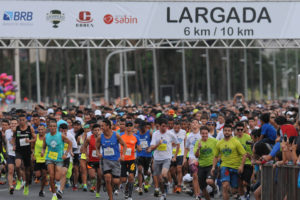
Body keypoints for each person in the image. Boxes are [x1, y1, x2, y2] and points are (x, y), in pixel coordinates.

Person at [211, 124, 247, 200]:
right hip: (225, 166)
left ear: (231, 132)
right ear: (223, 132)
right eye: (225, 131)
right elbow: (215, 156)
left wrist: (241, 166)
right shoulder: (219, 143)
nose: (227, 132)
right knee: (225, 186)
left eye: (229, 131)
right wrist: (213, 167)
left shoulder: (236, 142)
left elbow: (244, 154)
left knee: (234, 190)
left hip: (235, 167)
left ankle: (235, 192)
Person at [96, 119, 127, 200]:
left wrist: (123, 155)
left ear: (108, 126)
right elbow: (97, 147)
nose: (101, 127)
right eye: (101, 126)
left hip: (115, 160)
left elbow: (124, 145)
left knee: (116, 181)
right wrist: (98, 153)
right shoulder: (100, 137)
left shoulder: (116, 135)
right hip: (105, 160)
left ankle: (111, 187)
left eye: (102, 126)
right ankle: (110, 198)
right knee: (107, 178)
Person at [149, 118, 179, 200]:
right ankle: (163, 194)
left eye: (165, 126)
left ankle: (168, 182)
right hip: (157, 158)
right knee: (160, 179)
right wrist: (158, 144)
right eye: (162, 126)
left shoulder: (170, 134)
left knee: (164, 174)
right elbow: (152, 147)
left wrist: (175, 156)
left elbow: (177, 144)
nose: (164, 128)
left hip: (167, 158)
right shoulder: (155, 134)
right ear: (159, 126)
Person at [41, 120, 72, 200]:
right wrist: (42, 151)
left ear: (56, 127)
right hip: (49, 158)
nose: (52, 128)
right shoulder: (46, 136)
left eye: (54, 126)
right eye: (51, 126)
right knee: (51, 176)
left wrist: (66, 154)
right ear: (49, 127)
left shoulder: (61, 135)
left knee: (57, 178)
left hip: (59, 158)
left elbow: (70, 143)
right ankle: (54, 194)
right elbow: (44, 146)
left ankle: (58, 186)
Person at [12, 114, 36, 196]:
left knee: (27, 171)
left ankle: (26, 186)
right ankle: (19, 180)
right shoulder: (16, 129)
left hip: (27, 151)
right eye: (20, 120)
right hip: (19, 151)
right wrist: (14, 145)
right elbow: (13, 138)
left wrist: (29, 141)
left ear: (26, 120)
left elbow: (35, 138)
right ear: (18, 121)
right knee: (17, 166)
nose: (21, 121)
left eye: (23, 120)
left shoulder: (30, 128)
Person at [194, 126, 218, 200]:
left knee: (209, 181)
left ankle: (215, 188)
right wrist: (198, 148)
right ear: (200, 134)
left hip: (211, 165)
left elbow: (220, 148)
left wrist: (219, 158)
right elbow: (196, 156)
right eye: (202, 133)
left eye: (206, 133)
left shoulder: (214, 141)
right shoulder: (198, 142)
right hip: (201, 166)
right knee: (203, 188)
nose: (204, 135)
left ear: (208, 133)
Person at [120, 121, 141, 200]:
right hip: (123, 160)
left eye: (130, 126)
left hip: (132, 159)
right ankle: (125, 190)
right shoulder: (121, 136)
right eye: (127, 126)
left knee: (131, 177)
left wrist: (139, 149)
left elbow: (139, 147)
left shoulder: (136, 137)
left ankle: (130, 195)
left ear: (133, 127)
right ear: (125, 127)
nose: (129, 128)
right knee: (123, 179)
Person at [82, 124, 102, 198]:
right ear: (92, 131)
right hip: (91, 160)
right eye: (95, 130)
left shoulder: (102, 138)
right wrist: (86, 155)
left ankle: (98, 191)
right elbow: (84, 147)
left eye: (98, 130)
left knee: (100, 177)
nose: (97, 131)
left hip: (100, 160)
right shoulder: (89, 138)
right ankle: (93, 185)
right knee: (92, 175)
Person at [234, 122, 253, 200]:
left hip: (248, 162)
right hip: (237, 163)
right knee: (240, 183)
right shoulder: (234, 139)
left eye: (241, 129)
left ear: (244, 129)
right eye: (238, 130)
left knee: (245, 182)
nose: (239, 131)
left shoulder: (248, 137)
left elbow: (251, 150)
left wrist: (251, 158)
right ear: (235, 130)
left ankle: (247, 192)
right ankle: (243, 195)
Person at [183, 119, 201, 199]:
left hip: (202, 158)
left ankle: (199, 191)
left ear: (199, 125)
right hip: (192, 158)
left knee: (200, 177)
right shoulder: (189, 135)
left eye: (196, 123)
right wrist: (184, 158)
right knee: (194, 175)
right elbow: (186, 148)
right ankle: (197, 194)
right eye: (192, 123)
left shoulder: (202, 134)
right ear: (190, 125)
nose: (194, 124)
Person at [136, 120, 152, 195]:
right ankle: (140, 187)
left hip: (147, 155)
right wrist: (137, 147)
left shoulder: (150, 133)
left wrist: (150, 148)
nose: (141, 129)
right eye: (140, 127)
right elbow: (135, 142)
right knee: (139, 170)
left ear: (145, 127)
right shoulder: (137, 133)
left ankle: (147, 180)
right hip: (139, 154)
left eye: (142, 127)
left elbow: (154, 143)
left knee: (146, 172)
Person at [170, 120, 186, 193]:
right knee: (172, 171)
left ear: (180, 127)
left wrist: (185, 155)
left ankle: (179, 186)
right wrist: (171, 143)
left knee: (179, 169)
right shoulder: (169, 132)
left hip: (180, 153)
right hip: (171, 154)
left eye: (178, 128)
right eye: (175, 128)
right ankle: (175, 182)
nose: (176, 129)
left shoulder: (183, 132)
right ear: (173, 126)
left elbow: (185, 144)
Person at [33, 124, 48, 197]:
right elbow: (32, 147)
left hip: (45, 158)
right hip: (37, 158)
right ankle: (39, 177)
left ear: (45, 130)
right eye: (39, 130)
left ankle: (41, 190)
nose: (41, 131)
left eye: (42, 129)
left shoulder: (48, 137)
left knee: (44, 175)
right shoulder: (36, 137)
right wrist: (32, 154)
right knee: (38, 174)